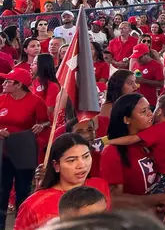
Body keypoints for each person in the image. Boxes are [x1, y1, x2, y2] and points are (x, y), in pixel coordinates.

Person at [100, 94, 165, 225]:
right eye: (143, 111)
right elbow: (115, 199)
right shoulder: (112, 151)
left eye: (149, 109)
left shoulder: (160, 133)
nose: (150, 114)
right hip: (137, 222)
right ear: (127, 119)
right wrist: (160, 199)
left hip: (164, 215)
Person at [13, 133, 112, 230]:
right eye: (71, 160)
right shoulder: (33, 204)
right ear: (56, 165)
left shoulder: (100, 185)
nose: (82, 165)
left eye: (86, 156)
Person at [0, 66, 49, 228]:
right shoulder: (1, 99)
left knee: (22, 190)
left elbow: (46, 121)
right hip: (2, 152)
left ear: (19, 84)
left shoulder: (36, 101)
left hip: (23, 150)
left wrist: (41, 126)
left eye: (8, 81)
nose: (4, 83)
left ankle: (22, 225)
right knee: (1, 192)